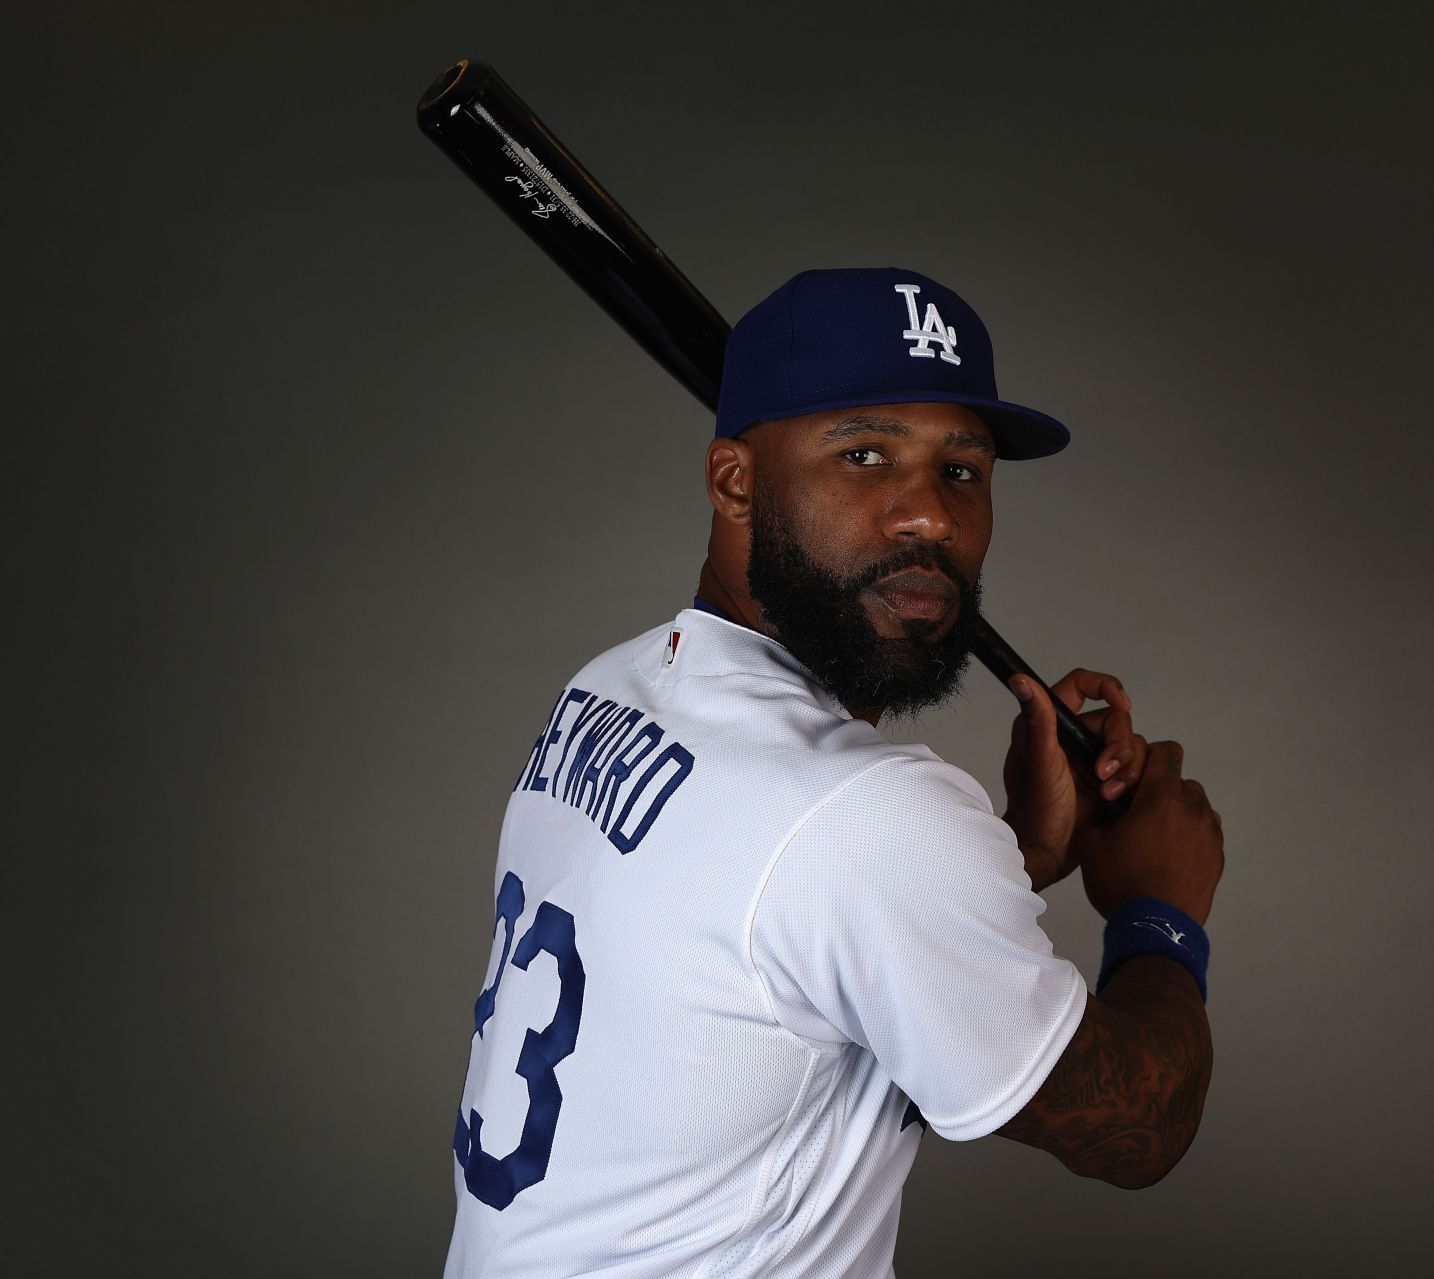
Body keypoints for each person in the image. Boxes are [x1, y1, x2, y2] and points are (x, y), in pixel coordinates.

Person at [444, 268, 1226, 1278]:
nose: (928, 519)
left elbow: (787, 996)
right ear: (735, 482)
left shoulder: (615, 686)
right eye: (864, 455)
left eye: (962, 470)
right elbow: (1136, 1127)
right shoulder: (862, 813)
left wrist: (1017, 859)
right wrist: (1161, 905)